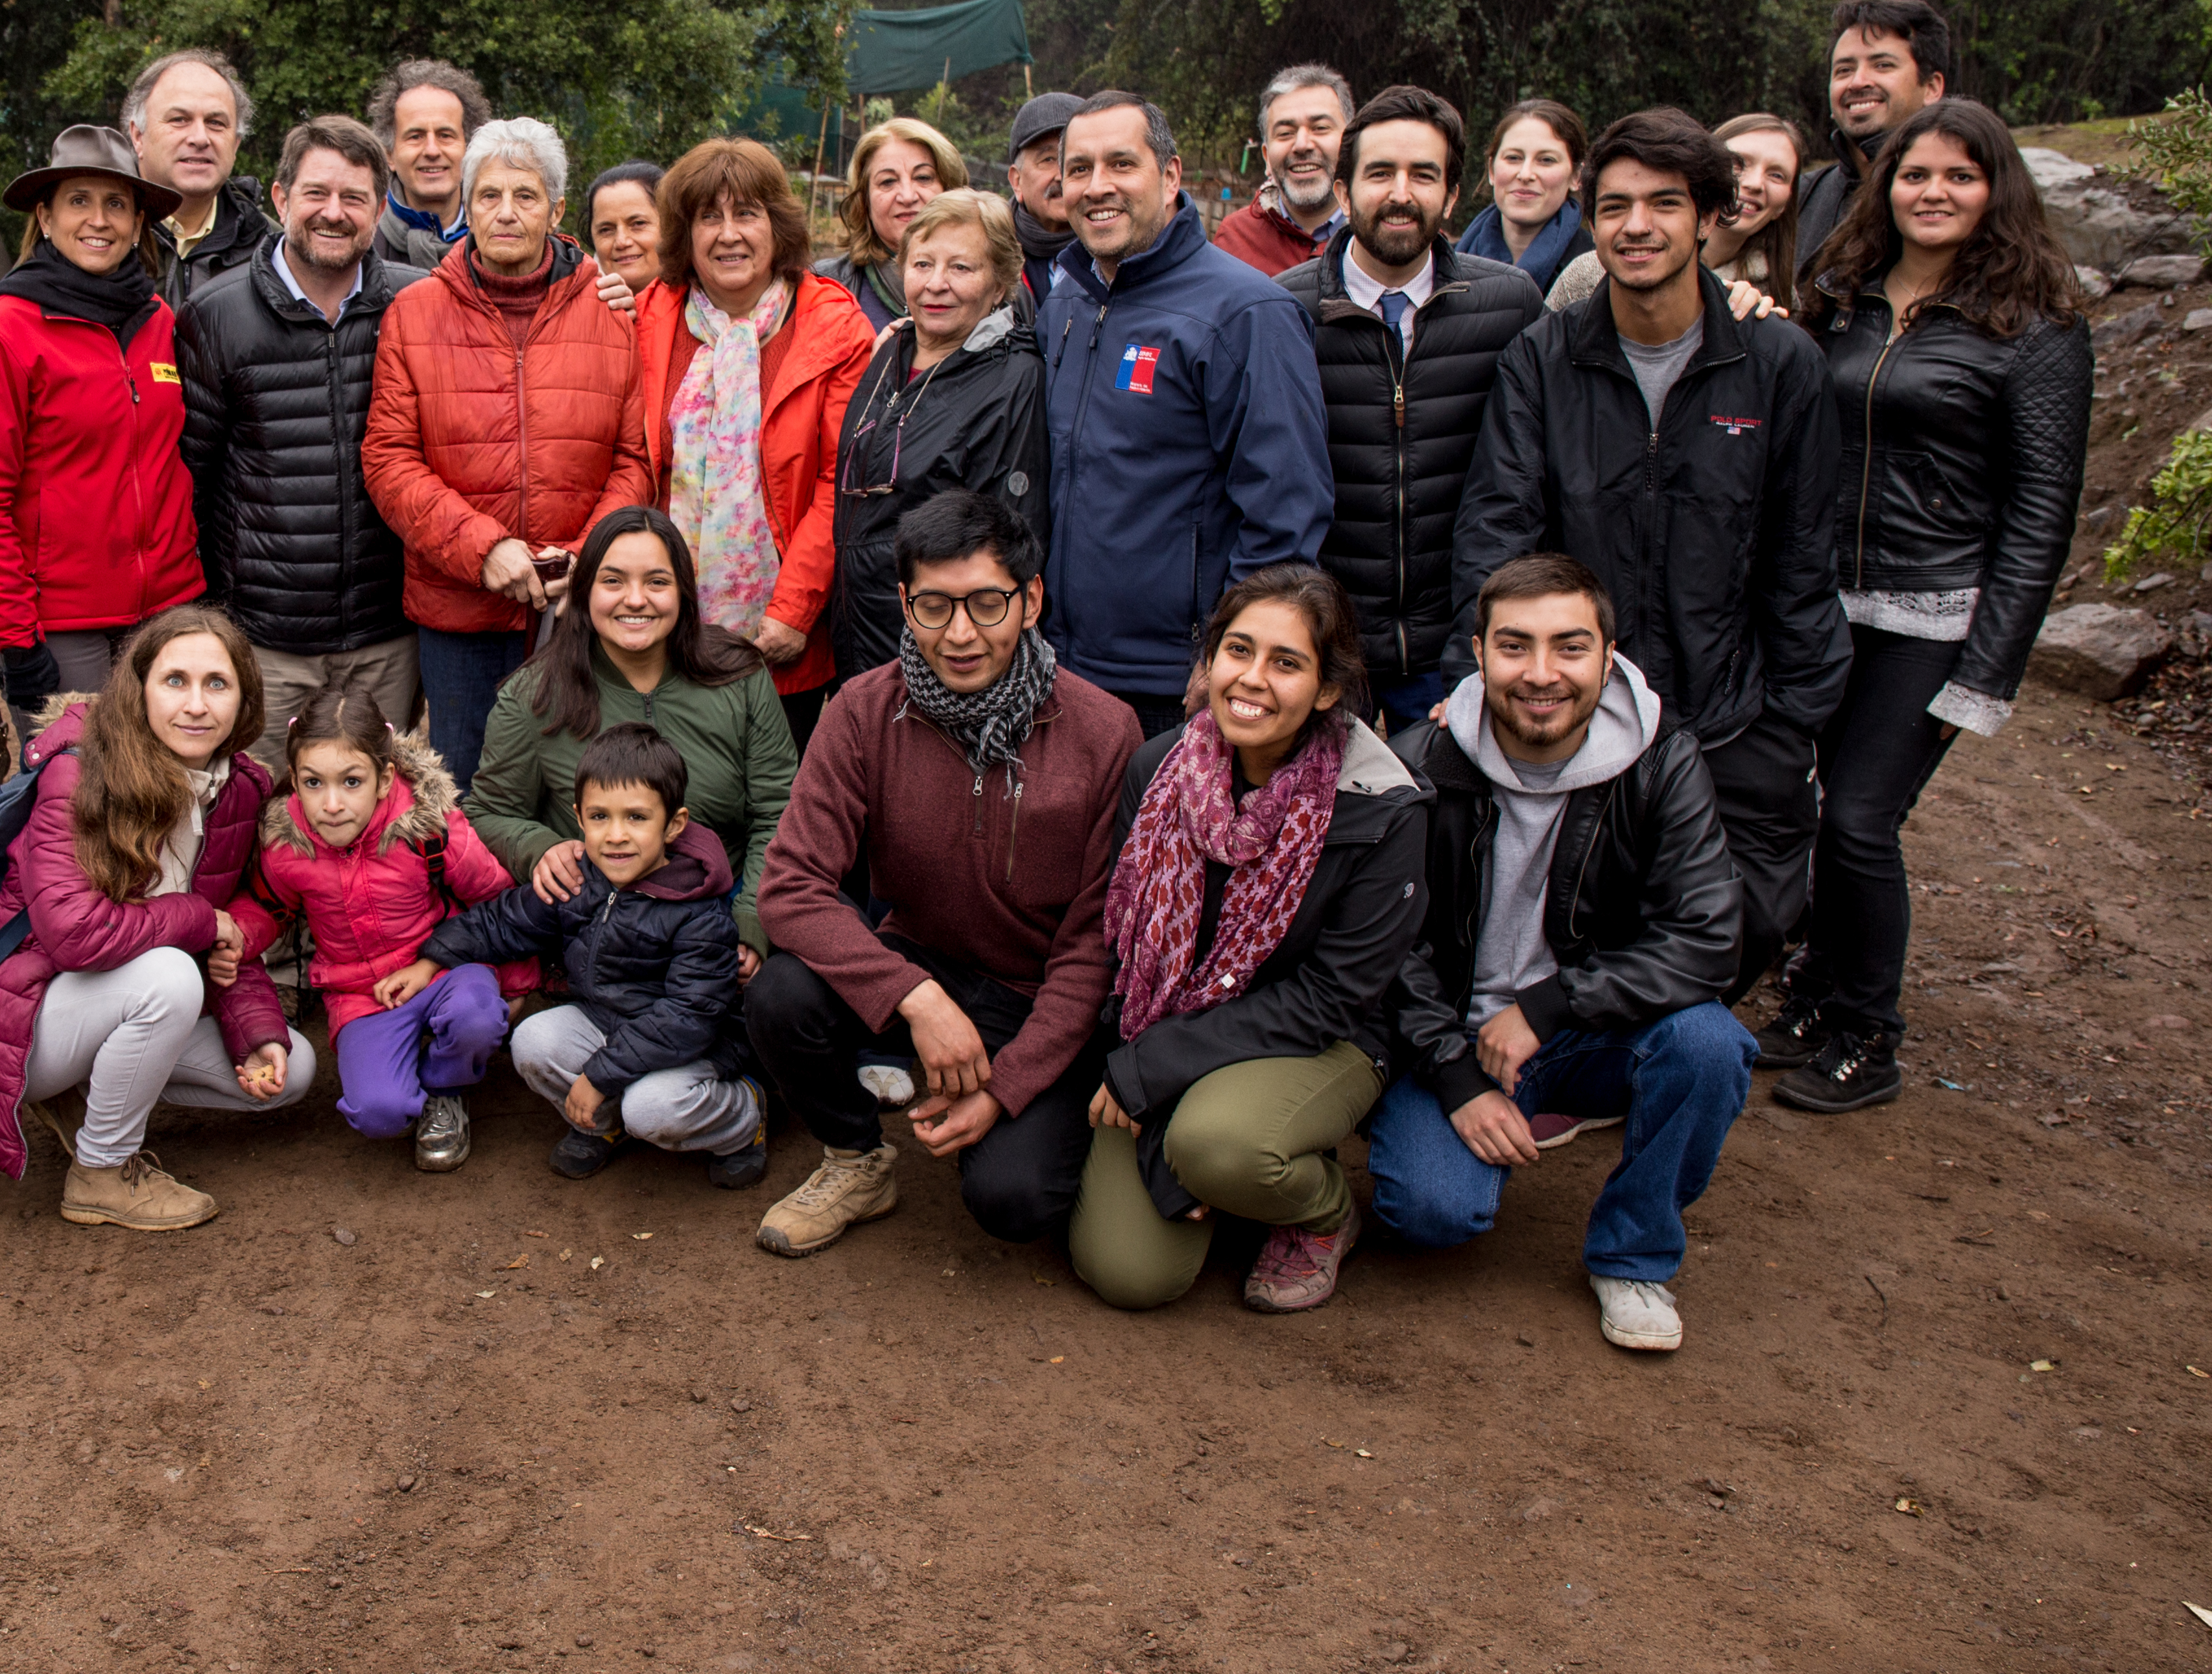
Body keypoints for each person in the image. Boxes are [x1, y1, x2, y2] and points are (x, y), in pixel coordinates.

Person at [1448, 108, 1846, 1011]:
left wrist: (1795, 717)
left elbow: (1801, 553)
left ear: (1709, 215)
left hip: (1737, 708)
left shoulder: (1779, 362)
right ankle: (1593, 1061)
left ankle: (1663, 1052)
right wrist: (1473, 675)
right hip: (1586, 700)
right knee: (1579, 908)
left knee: (1742, 920)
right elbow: (1497, 530)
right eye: (1615, 205)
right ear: (1590, 223)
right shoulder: (1542, 360)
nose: (1638, 225)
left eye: (1664, 203)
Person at [1763, 98, 2092, 1114]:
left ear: (1996, 189)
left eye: (1958, 175)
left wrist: (1990, 664)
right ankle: (1814, 994)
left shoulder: (2035, 330)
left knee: (1862, 818)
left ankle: (1871, 1030)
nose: (1933, 193)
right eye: (1914, 175)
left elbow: (2043, 507)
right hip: (1824, 601)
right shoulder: (1844, 293)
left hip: (1934, 609)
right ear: (1884, 186)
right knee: (1812, 810)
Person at [1371, 554, 1754, 1354]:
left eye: (1569, 647)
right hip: (1444, 1038)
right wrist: (1455, 1074)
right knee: (1430, 1215)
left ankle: (1631, 1254)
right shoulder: (1420, 761)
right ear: (1476, 653)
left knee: (1708, 1042)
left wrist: (1546, 1007)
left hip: (1583, 1025)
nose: (1540, 673)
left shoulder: (1660, 762)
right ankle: (1496, 1113)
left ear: (1608, 657)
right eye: (1514, 646)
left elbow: (1709, 934)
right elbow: (1383, 945)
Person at [748, 489, 1143, 1258]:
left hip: (1035, 1001)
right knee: (779, 992)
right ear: (902, 602)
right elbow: (789, 884)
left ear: (1030, 599)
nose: (959, 633)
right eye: (933, 606)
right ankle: (856, 1158)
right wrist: (913, 995)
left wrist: (1006, 1086)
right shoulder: (862, 710)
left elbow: (1094, 944)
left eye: (986, 603)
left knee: (1013, 1200)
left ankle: (1039, 1117)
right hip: (921, 966)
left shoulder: (1104, 731)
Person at [1065, 566, 1427, 1314]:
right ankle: (1219, 1163)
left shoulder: (1380, 806)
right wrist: (1145, 1063)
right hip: (1160, 1030)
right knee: (1132, 1274)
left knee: (1216, 1148)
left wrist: (1154, 1070)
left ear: (1327, 688)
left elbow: (1332, 997)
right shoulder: (1158, 768)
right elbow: (1121, 942)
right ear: (1210, 660)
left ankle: (1319, 1208)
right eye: (1237, 650)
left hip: (1320, 1037)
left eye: (1285, 662)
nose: (1252, 680)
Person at [0, 607, 314, 1225]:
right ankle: (102, 1170)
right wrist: (198, 918)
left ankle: (97, 1091)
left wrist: (256, 1037)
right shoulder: (80, 768)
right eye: (175, 681)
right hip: (20, 1017)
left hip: (122, 1003)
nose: (196, 704)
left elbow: (222, 940)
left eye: (217, 683)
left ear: (244, 699)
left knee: (290, 1067)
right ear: (137, 689)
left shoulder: (239, 788)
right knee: (168, 974)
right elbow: (73, 933)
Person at [363, 115, 652, 791]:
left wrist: (586, 555)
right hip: (458, 608)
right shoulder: (414, 312)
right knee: (464, 782)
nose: (505, 212)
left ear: (555, 209)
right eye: (487, 195)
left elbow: (632, 458)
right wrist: (485, 548)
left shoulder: (610, 311)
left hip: (578, 605)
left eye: (525, 196)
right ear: (465, 206)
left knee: (579, 782)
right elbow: (388, 458)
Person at [1039, 89, 1331, 738]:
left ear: (1169, 176)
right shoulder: (1064, 305)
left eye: (1120, 163)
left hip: (1177, 685)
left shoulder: (1244, 313)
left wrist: (1232, 649)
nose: (1096, 186)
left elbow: (1284, 509)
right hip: (1062, 669)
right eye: (1078, 169)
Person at [1276, 85, 1540, 727]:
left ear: (1452, 194)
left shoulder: (1510, 305)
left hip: (1458, 652)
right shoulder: (1281, 309)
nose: (1399, 193)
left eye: (1422, 174)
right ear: (1342, 191)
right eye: (1378, 173)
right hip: (1326, 651)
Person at [176, 115, 428, 747]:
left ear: (379, 208)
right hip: (266, 642)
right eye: (316, 193)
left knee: (376, 818)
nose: (333, 213)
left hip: (386, 637)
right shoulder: (215, 315)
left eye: (354, 198)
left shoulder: (419, 303)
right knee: (262, 817)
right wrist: (214, 618)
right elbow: (191, 480)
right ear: (282, 199)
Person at [0, 125, 202, 730]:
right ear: (46, 215)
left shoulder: (158, 320)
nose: (100, 220)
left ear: (139, 222)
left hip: (164, 608)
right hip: (60, 624)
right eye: (79, 200)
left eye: (117, 203)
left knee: (168, 792)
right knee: (80, 803)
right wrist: (15, 635)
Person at [468, 506, 796, 971]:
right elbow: (487, 811)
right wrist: (539, 845)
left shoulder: (737, 674)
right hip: (606, 921)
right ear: (584, 592)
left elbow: (778, 810)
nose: (636, 599)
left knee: (788, 994)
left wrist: (750, 922)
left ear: (683, 590)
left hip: (727, 900)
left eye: (657, 582)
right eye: (613, 581)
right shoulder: (535, 695)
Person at [434, 723, 763, 1184]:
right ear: (579, 818)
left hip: (694, 1046)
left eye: (636, 817)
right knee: (532, 1041)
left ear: (674, 824)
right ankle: (604, 1125)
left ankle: (743, 1119)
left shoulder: (697, 910)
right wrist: (432, 955)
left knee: (650, 1108)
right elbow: (506, 922)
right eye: (600, 817)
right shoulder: (583, 879)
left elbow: (688, 1016)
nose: (615, 835)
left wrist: (598, 1075)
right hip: (608, 1021)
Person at [635, 135, 875, 734]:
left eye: (746, 213)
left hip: (783, 632)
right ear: (684, 235)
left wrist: (792, 610)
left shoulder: (834, 328)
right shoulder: (647, 317)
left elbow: (839, 479)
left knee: (771, 811)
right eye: (707, 217)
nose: (728, 234)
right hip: (659, 624)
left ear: (779, 226)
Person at [244, 684, 516, 1170]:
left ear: (385, 777)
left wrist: (517, 981)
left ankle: (445, 1087)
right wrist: (238, 935)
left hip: (445, 965)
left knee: (477, 1017)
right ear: (294, 777)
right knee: (378, 1113)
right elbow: (268, 908)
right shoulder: (287, 846)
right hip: (359, 992)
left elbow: (494, 895)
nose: (331, 804)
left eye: (351, 781)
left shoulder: (428, 827)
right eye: (313, 783)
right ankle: (400, 1069)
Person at [829, 189, 1051, 685]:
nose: (935, 284)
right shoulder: (893, 349)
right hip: (860, 628)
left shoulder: (1012, 378)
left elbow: (1009, 537)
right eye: (922, 263)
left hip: (943, 643)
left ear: (1000, 284)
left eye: (961, 268)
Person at [1549, 113, 1809, 315]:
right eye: (1739, 163)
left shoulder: (1780, 295)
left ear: (1787, 202)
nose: (1754, 183)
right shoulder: (1590, 273)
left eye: (1776, 175)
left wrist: (1761, 333)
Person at [1793, 0, 1951, 259]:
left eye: (1882, 65)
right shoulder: (1800, 198)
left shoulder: (1965, 198)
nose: (1857, 82)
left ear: (1932, 87)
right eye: (1844, 70)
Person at [127, 48, 274, 309]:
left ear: (236, 143)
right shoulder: (98, 237)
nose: (200, 138)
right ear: (139, 136)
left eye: (216, 123)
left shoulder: (273, 250)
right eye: (179, 120)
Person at [813, 116, 966, 333]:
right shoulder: (823, 288)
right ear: (864, 200)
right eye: (888, 182)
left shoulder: (994, 284)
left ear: (950, 190)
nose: (907, 196)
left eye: (923, 178)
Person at [1210, 64, 1353, 277]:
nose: (1302, 145)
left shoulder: (1378, 234)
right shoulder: (1234, 241)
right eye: (1286, 133)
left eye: (1320, 128)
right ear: (1267, 158)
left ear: (1351, 145)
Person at [1457, 99, 1595, 294]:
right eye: (1513, 158)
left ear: (1576, 177)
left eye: (1546, 160)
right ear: (1491, 170)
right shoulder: (1445, 265)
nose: (1525, 174)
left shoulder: (1596, 272)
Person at [369, 58, 491, 272]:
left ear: (470, 149)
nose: (432, 151)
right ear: (389, 155)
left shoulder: (504, 237)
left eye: (446, 135)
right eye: (415, 136)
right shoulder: (362, 245)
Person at [1006, 91, 1084, 277]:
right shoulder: (990, 253)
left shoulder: (1126, 254)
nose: (1062, 175)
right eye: (1048, 159)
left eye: (1078, 162)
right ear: (1017, 181)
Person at [585, 159, 666, 314]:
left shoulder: (710, 306)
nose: (622, 242)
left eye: (638, 224)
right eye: (606, 230)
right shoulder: (578, 312)